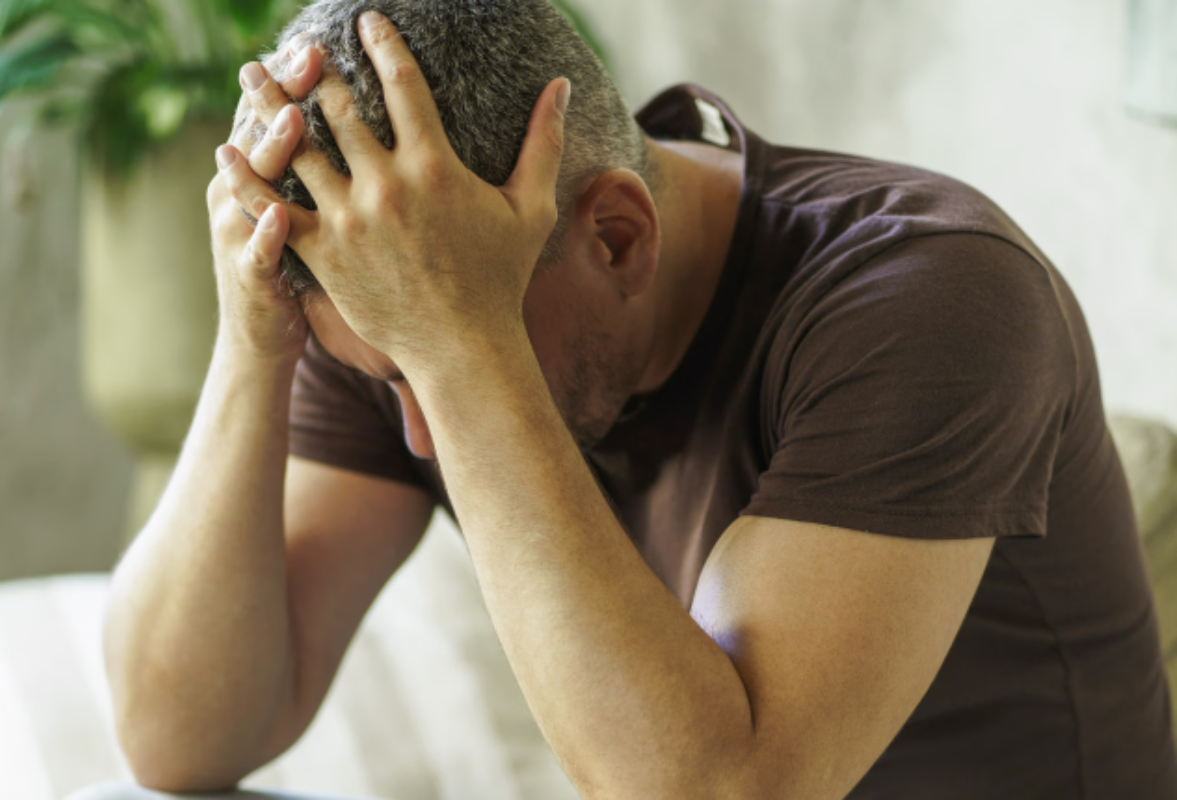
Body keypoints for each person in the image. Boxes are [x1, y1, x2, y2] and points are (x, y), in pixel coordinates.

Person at [74, 1, 1177, 798]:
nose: (419, 433)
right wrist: (253, 342)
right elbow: (177, 736)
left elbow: (720, 790)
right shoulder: (394, 308)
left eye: (428, 365)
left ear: (616, 235)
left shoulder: (932, 295)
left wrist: (458, 348)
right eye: (389, 375)